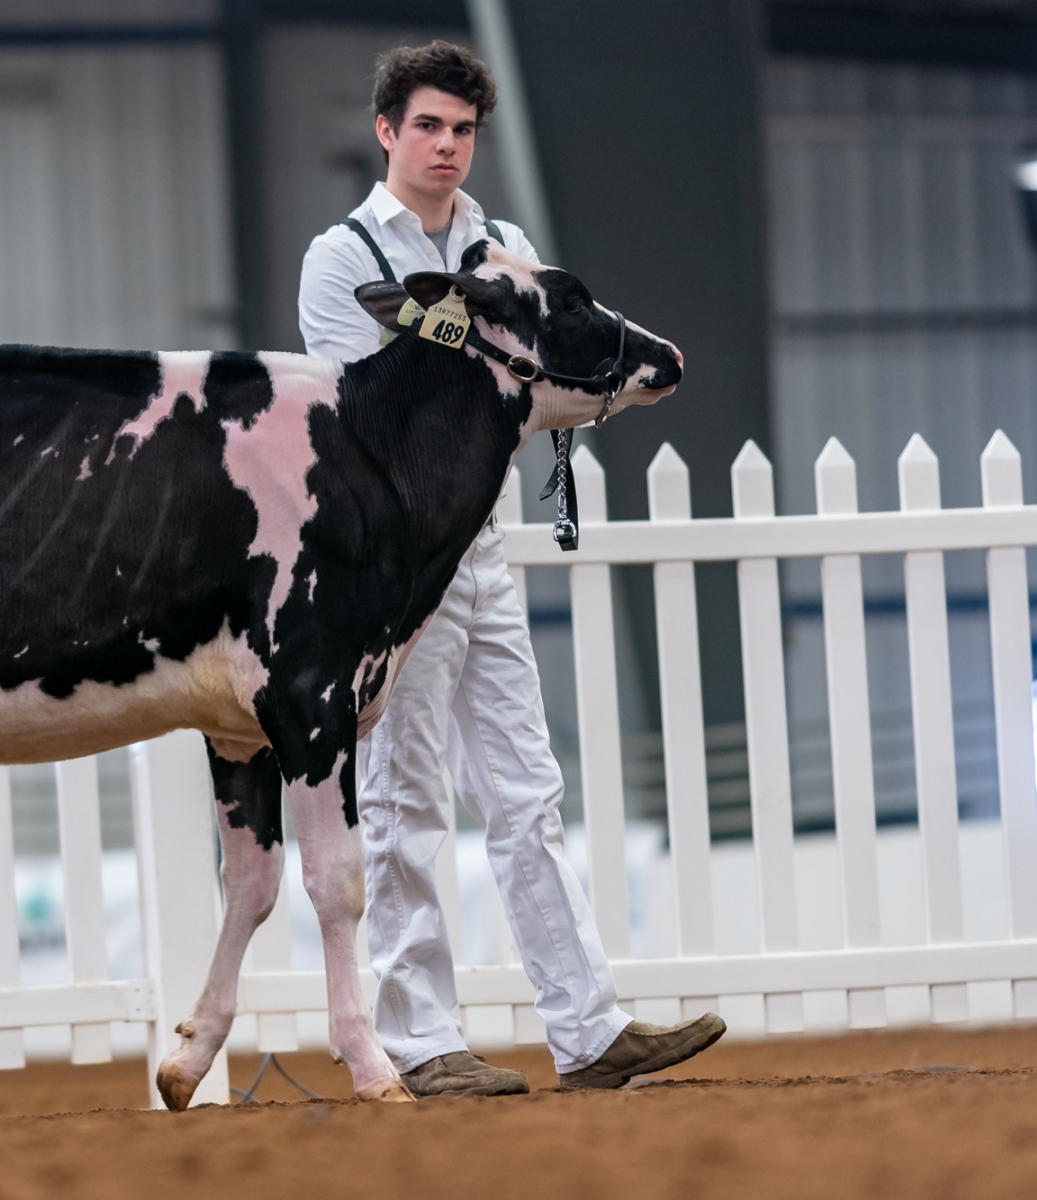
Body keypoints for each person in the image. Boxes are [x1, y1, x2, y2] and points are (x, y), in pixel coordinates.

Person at [297, 40, 724, 1096]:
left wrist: (484, 380)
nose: (447, 146)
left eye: (463, 129)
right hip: (398, 568)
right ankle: (421, 1043)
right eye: (429, 126)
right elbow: (367, 416)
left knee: (528, 792)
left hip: (480, 550)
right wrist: (493, 382)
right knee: (403, 801)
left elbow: (539, 385)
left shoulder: (505, 245)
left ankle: (589, 1031)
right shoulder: (342, 258)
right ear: (387, 130)